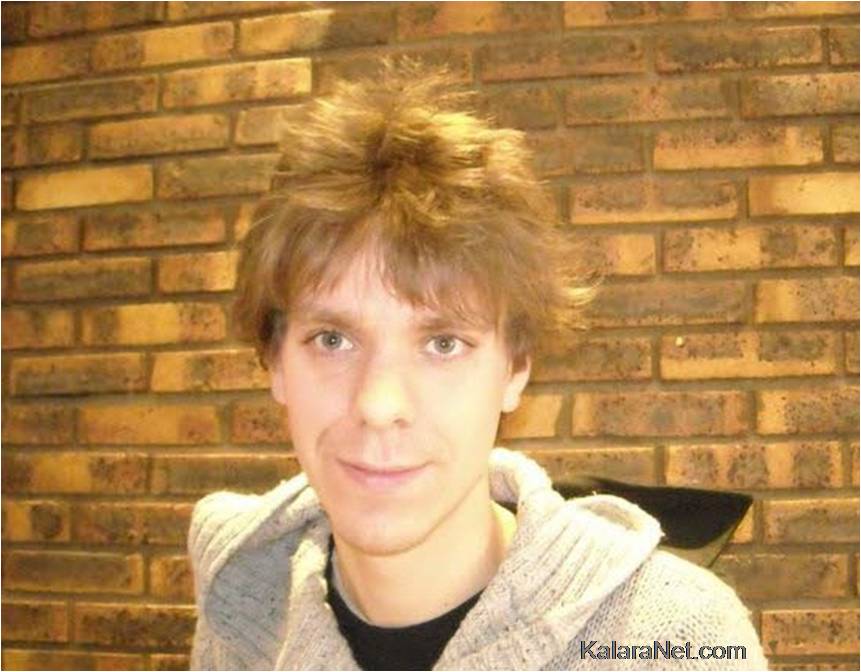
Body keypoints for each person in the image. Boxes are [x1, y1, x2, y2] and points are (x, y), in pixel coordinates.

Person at [188, 60, 767, 671]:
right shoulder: (244, 607)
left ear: (515, 368)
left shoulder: (674, 640)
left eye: (443, 344)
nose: (379, 405)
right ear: (275, 361)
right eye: (333, 340)